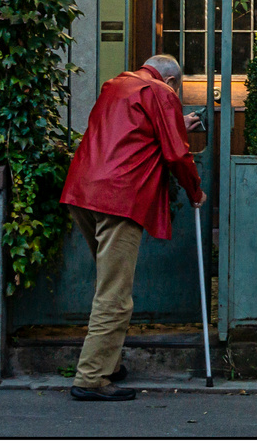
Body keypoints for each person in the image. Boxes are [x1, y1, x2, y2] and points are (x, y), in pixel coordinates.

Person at [60, 54, 205, 402]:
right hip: (118, 199)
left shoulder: (117, 85)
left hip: (83, 192)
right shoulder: (161, 92)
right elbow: (176, 156)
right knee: (115, 293)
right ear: (172, 82)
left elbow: (130, 133)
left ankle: (106, 362)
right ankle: (91, 378)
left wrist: (175, 122)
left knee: (108, 282)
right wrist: (195, 191)